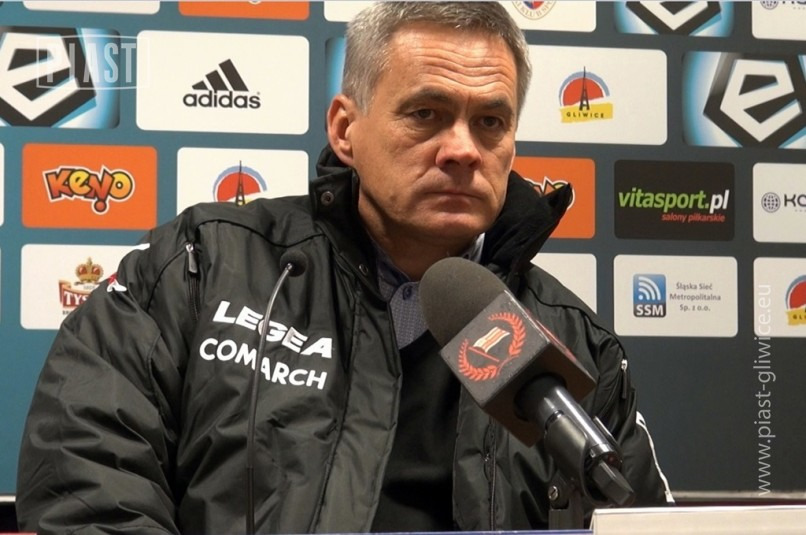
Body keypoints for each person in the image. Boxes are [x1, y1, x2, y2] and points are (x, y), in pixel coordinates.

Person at [16, 3, 672, 534]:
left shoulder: (574, 343)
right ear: (345, 129)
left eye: (490, 121)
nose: (462, 149)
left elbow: (641, 518)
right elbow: (87, 479)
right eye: (426, 114)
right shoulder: (199, 267)